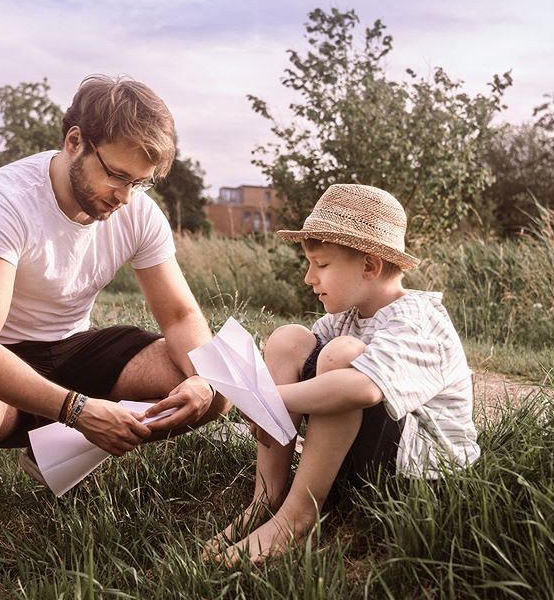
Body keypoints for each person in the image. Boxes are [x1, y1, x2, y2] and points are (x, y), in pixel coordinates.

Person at [0, 75, 228, 590]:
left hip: (71, 348)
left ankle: (53, 454)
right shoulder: (3, 199)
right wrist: (77, 410)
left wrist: (201, 379)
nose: (126, 197)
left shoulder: (136, 210)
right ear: (75, 141)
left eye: (141, 183)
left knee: (213, 388)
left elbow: (179, 317)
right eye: (117, 176)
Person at [205, 183, 479, 563]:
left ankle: (296, 518)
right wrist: (252, 392)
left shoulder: (418, 321)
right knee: (289, 339)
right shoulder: (347, 317)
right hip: (361, 458)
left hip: (416, 474)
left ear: (370, 265)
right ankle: (267, 496)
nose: (308, 278)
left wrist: (264, 397)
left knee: (342, 357)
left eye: (321, 265)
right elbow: (297, 359)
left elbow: (363, 389)